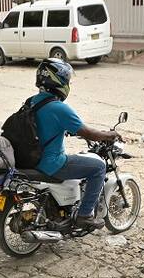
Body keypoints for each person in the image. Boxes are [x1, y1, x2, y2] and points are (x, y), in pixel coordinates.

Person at [28, 58, 120, 230]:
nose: (68, 83)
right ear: (59, 82)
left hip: (30, 160)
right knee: (98, 167)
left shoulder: (31, 102)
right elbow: (89, 133)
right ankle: (85, 215)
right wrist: (109, 135)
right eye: (67, 80)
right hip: (52, 164)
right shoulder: (59, 108)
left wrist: (63, 130)